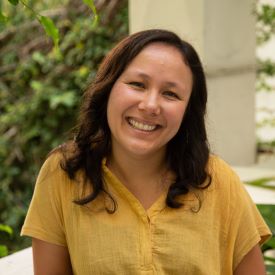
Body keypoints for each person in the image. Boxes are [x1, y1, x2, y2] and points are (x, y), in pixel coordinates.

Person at [21, 29, 271, 275]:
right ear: (108, 88)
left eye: (170, 94)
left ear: (187, 111)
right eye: (137, 84)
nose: (150, 105)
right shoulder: (64, 173)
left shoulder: (219, 181)